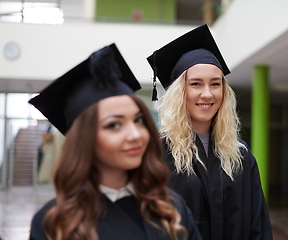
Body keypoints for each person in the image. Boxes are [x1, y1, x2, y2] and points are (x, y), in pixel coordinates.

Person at [28, 43, 202, 240]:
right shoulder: (54, 224)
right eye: (114, 125)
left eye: (138, 120)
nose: (135, 134)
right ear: (84, 140)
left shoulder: (171, 209)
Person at [147, 24, 273, 240]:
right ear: (180, 92)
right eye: (196, 84)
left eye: (215, 84)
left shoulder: (240, 155)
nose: (207, 94)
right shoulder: (157, 154)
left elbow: (257, 223)